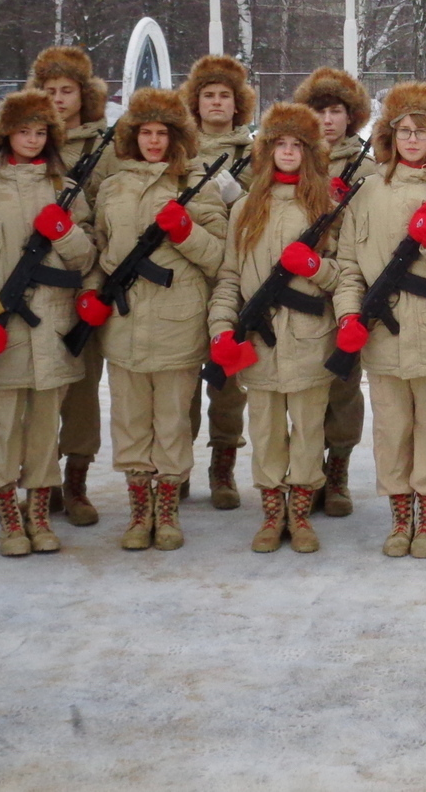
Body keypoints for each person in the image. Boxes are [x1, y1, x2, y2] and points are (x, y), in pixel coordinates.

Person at [0, 90, 100, 556]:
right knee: (3, 425)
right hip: (1, 328)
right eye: (23, 130)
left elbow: (88, 257)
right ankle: (8, 511)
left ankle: (38, 510)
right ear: (4, 133)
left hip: (53, 327)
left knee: (45, 426)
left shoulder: (65, 189)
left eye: (40, 131)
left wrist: (64, 232)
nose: (32, 139)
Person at [333, 82, 426, 559]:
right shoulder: (369, 191)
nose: (413, 139)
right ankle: (400, 518)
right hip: (382, 336)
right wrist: (348, 318)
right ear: (389, 137)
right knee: (392, 430)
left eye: (423, 131)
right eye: (404, 131)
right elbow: (349, 265)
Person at [83, 87, 228, 552]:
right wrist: (93, 293)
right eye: (144, 132)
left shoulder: (195, 182)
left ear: (175, 137)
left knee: (171, 421)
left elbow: (219, 254)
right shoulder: (112, 186)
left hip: (177, 321)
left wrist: (185, 232)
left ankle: (166, 511)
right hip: (124, 324)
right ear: (132, 136)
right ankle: (138, 512)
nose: (152, 141)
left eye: (161, 133)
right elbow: (100, 250)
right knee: (129, 421)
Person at [209, 102, 348, 555]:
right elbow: (230, 276)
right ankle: (273, 514)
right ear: (266, 152)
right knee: (266, 429)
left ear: (311, 153)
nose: (288, 152)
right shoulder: (246, 208)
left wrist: (316, 269)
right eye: (280, 144)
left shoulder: (325, 208)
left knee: (308, 429)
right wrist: (222, 328)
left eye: (297, 145)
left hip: (309, 336)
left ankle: (301, 514)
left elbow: (344, 274)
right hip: (259, 340)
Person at [28, 45, 116, 529]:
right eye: (49, 90)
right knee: (37, 393)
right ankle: (39, 482)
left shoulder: (105, 145)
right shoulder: (28, 140)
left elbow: (114, 212)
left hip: (87, 278)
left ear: (85, 96)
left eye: (67, 91)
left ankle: (75, 480)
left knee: (82, 387)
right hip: (33, 288)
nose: (58, 100)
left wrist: (96, 280)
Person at [179, 53, 258, 510]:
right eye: (207, 95)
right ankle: (179, 464)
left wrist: (240, 197)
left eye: (224, 96)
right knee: (183, 378)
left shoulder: (254, 152)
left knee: (229, 379)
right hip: (187, 280)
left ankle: (223, 465)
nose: (215, 103)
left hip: (233, 279)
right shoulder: (180, 148)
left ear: (237, 104)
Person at [294, 66, 372, 517]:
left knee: (343, 383)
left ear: (351, 116)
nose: (327, 119)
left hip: (345, 283)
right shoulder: (292, 156)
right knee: (299, 384)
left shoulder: (368, 164)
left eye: (336, 110)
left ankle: (337, 472)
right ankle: (304, 473)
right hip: (296, 285)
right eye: (319, 110)